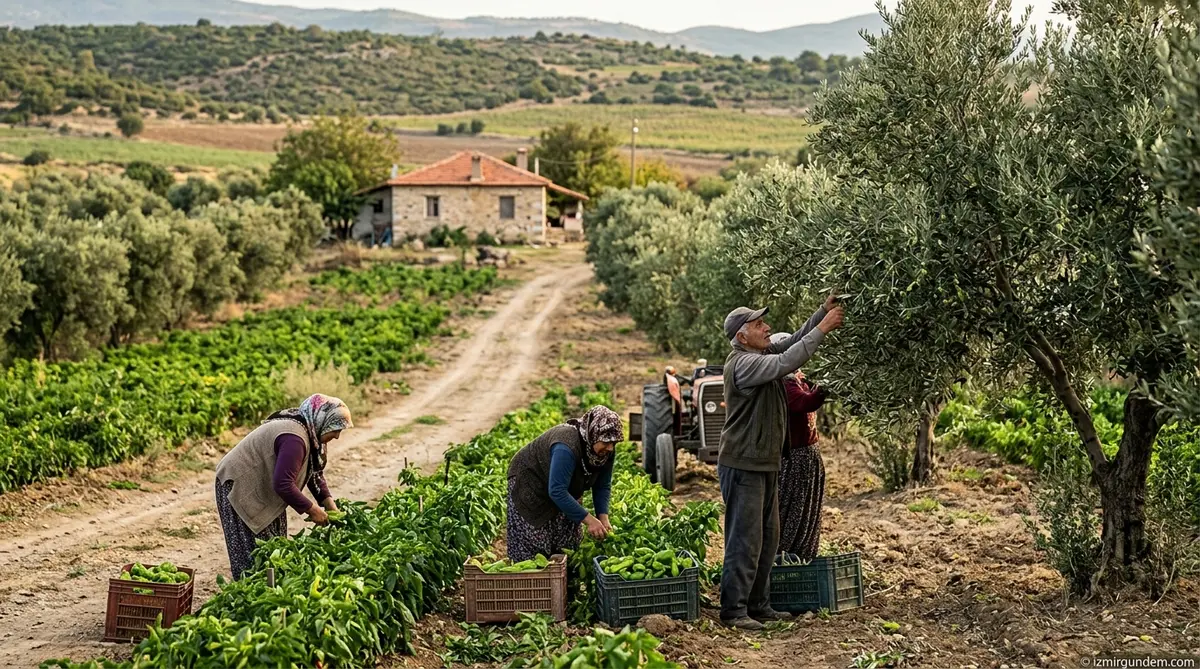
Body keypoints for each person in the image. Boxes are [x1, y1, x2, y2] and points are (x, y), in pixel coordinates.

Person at [718, 297, 844, 630]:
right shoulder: (744, 364)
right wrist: (824, 327)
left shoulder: (759, 354)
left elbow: (789, 342)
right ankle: (734, 611)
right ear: (742, 336)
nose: (767, 328)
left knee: (767, 538)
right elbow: (789, 358)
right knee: (744, 539)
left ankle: (759, 606)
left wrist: (820, 311)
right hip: (744, 463)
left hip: (765, 462)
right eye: (759, 325)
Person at [214, 394, 353, 580]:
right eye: (335, 430)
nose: (336, 436)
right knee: (253, 554)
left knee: (274, 548)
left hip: (263, 487)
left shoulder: (311, 433)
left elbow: (314, 474)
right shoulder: (294, 438)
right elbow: (283, 484)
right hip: (239, 486)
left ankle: (267, 588)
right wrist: (313, 511)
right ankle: (248, 596)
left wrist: (331, 508)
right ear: (322, 421)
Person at [505, 405, 623, 562]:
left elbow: (602, 485)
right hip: (531, 482)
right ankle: (536, 583)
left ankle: (561, 583)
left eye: (614, 442)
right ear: (593, 434)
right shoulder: (566, 446)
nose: (610, 447)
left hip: (559, 486)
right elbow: (557, 491)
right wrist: (589, 520)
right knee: (534, 546)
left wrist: (603, 518)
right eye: (606, 442)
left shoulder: (606, 451)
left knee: (567, 541)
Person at [770, 331, 829, 561]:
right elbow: (807, 401)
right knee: (793, 507)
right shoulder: (783, 384)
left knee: (807, 507)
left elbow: (809, 393)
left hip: (808, 456)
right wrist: (825, 388)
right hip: (795, 459)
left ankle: (802, 555)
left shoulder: (795, 379)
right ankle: (786, 557)